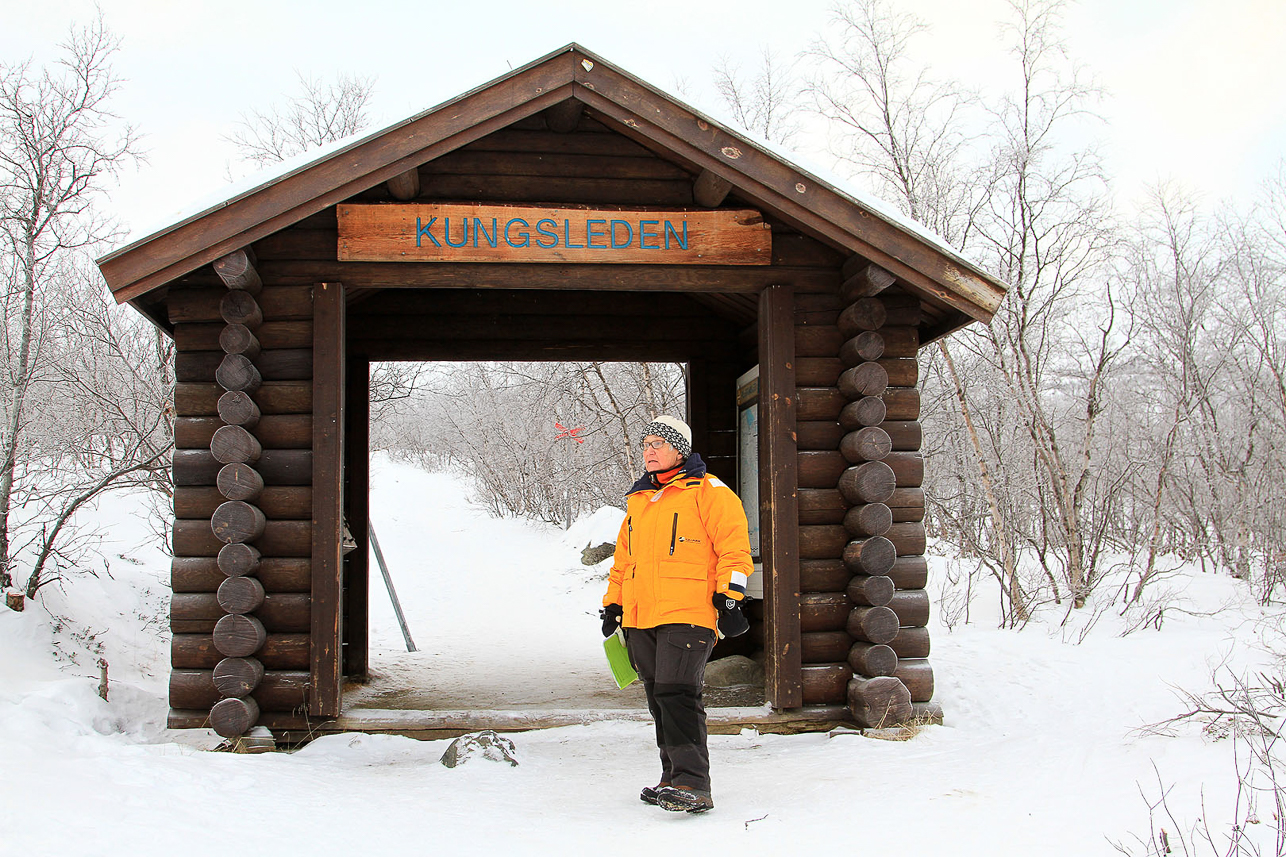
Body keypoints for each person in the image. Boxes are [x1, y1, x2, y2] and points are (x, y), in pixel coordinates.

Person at [600, 415, 753, 814]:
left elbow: (734, 551)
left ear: (679, 450)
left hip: (687, 612)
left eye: (657, 443)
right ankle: (671, 777)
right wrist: (613, 603)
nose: (648, 450)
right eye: (645, 444)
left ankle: (693, 783)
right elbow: (623, 561)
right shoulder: (640, 500)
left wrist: (732, 596)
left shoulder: (709, 492)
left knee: (678, 691)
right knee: (657, 697)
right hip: (640, 616)